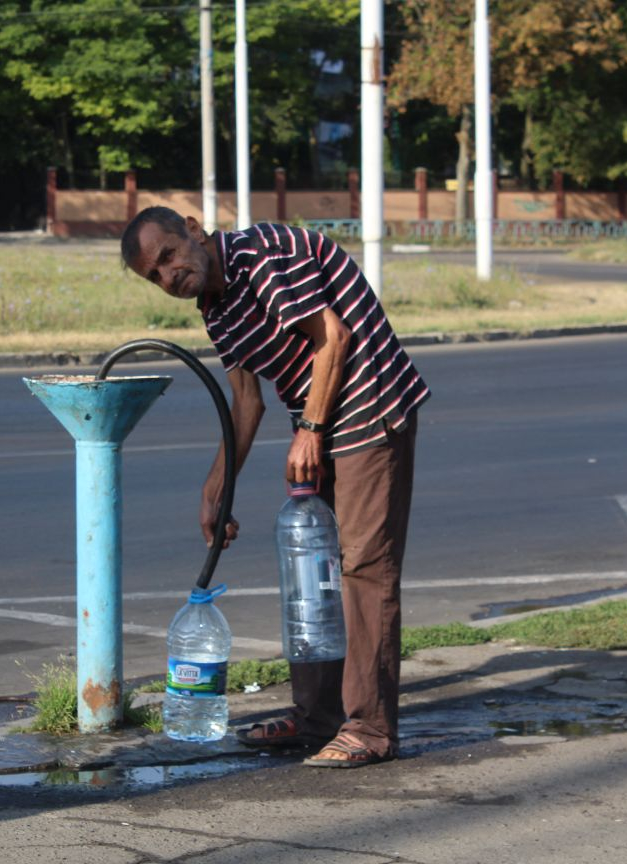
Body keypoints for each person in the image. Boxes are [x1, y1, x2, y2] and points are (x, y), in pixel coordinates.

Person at [120, 207, 429, 768]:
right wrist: (217, 489)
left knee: (364, 569)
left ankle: (371, 729)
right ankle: (318, 719)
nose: (169, 277)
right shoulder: (215, 309)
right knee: (317, 572)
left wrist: (309, 430)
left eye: (168, 256)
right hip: (321, 419)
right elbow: (246, 403)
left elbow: (331, 337)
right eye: (155, 276)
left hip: (368, 407)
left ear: (193, 228)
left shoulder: (257, 255)